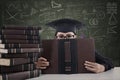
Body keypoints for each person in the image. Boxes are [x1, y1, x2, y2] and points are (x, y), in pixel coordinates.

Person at [35, 18, 114, 73]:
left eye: (69, 36)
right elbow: (26, 64)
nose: (65, 39)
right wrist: (35, 65)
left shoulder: (85, 48)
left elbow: (109, 62)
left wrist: (102, 67)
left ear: (75, 37)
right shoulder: (47, 48)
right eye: (61, 36)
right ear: (56, 38)